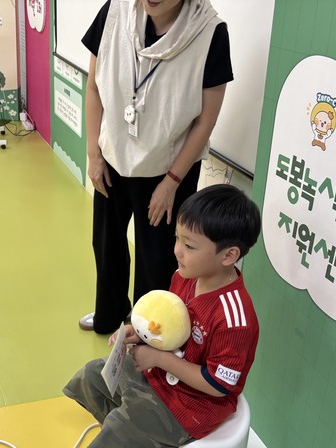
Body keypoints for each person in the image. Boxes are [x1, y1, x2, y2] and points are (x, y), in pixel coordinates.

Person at [60, 184, 261, 448]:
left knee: (128, 423)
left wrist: (159, 358)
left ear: (228, 255)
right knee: (96, 376)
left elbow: (218, 386)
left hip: (194, 403)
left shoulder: (235, 318)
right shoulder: (185, 277)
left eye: (190, 246)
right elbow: (167, 325)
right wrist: (138, 333)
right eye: (177, 239)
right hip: (164, 374)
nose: (177, 250)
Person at [78, 0, 233, 335]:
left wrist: (172, 181)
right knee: (106, 244)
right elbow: (93, 86)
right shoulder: (115, 12)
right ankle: (110, 313)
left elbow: (205, 120)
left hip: (168, 168)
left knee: (158, 259)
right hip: (113, 157)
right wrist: (93, 153)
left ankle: (147, 333)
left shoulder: (210, 32)